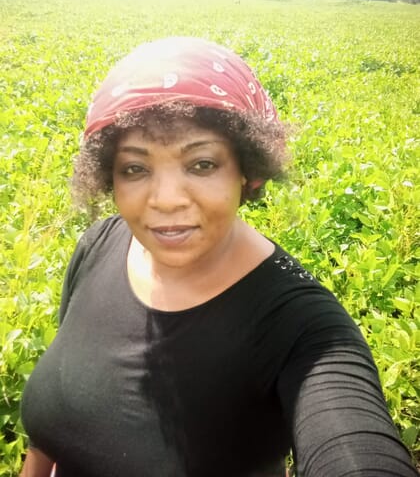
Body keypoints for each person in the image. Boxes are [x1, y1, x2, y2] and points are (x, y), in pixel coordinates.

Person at [20, 37, 417, 477]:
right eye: (135, 168)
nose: (167, 200)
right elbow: (52, 430)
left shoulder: (305, 327)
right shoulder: (100, 244)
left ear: (247, 169)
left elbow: (352, 446)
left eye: (202, 164)